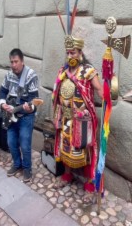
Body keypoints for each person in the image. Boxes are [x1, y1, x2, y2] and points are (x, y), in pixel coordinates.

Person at [52, 35, 103, 204]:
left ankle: (89, 185)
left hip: (83, 121)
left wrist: (110, 88)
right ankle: (67, 175)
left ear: (80, 52)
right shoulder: (63, 71)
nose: (70, 56)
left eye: (73, 52)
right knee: (65, 148)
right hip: (66, 118)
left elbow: (100, 91)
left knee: (85, 152)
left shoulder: (88, 70)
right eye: (68, 53)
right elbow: (56, 92)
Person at [0, 48, 39, 183]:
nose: (13, 65)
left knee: (25, 144)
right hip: (11, 115)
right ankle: (17, 164)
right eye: (11, 62)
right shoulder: (9, 75)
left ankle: (27, 168)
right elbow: (2, 91)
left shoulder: (31, 75)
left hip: (26, 116)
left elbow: (34, 100)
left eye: (16, 62)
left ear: (22, 61)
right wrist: (3, 103)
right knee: (11, 142)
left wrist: (29, 107)